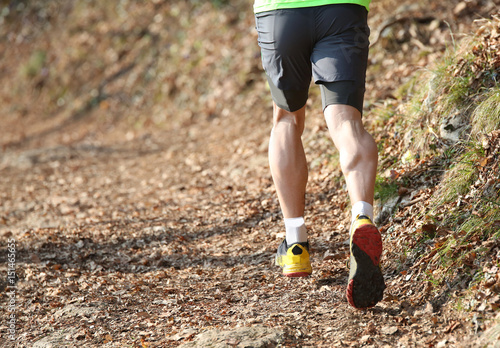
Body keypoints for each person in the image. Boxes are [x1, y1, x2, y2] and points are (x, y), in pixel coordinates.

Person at [254, 0, 385, 309]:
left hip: (280, 13)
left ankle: (295, 243)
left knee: (286, 120)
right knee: (347, 121)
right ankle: (362, 215)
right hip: (342, 9)